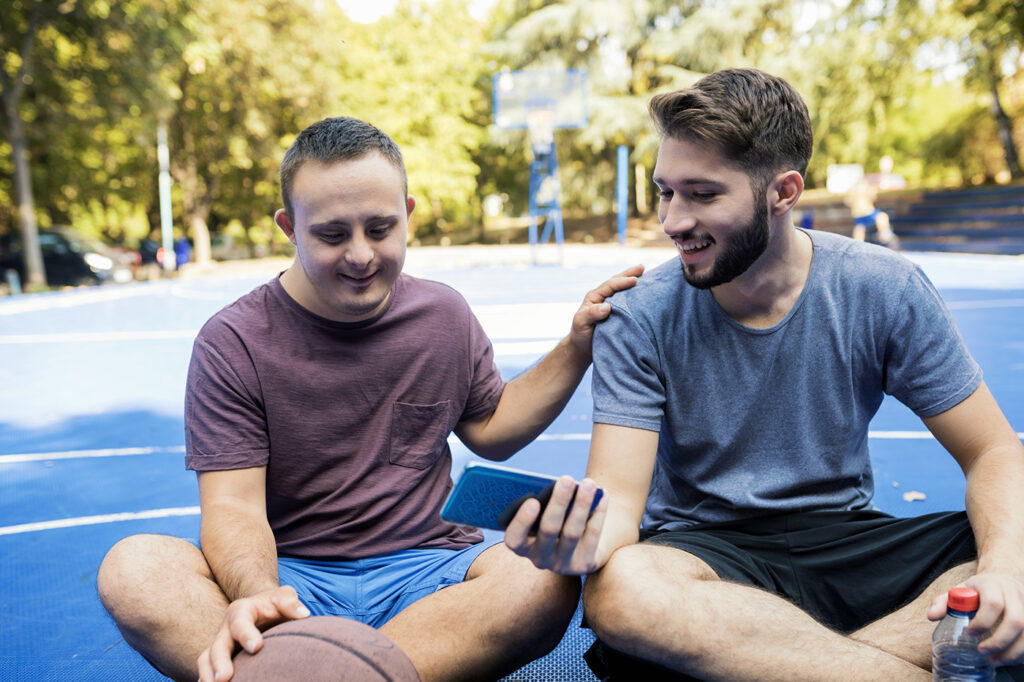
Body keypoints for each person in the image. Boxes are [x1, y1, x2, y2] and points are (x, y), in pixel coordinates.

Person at [504, 69, 1024, 680]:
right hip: (707, 555)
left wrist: (1005, 572)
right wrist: (578, 540)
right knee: (624, 588)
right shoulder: (635, 315)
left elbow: (992, 451)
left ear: (783, 191)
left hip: (848, 543)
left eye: (701, 194)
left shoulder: (885, 289)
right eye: (665, 192)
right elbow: (618, 500)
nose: (672, 220)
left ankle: (766, 659)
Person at [96, 116, 641, 682]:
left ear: (407, 214)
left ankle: (299, 672)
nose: (361, 255)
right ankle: (338, 665)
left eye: (380, 229)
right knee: (134, 568)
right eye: (332, 235)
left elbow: (493, 429)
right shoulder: (232, 341)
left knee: (538, 576)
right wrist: (261, 597)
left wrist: (578, 346)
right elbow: (233, 507)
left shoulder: (443, 316)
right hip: (290, 579)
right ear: (289, 227)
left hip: (432, 577)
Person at [846, 177, 899, 247]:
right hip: (860, 216)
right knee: (859, 234)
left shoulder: (868, 191)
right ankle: (884, 235)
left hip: (869, 213)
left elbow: (874, 197)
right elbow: (848, 201)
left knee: (882, 218)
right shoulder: (853, 193)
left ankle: (885, 235)